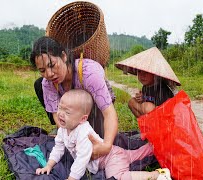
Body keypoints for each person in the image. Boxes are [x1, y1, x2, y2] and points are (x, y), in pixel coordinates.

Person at [36, 89, 171, 180]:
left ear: (83, 118)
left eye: (67, 112)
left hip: (112, 157)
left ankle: (157, 175)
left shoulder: (84, 131)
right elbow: (58, 148)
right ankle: (153, 146)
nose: (60, 113)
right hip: (114, 153)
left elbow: (83, 158)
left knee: (118, 176)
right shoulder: (63, 129)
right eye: (60, 107)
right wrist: (49, 165)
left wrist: (72, 178)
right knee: (140, 152)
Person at [30, 36, 118, 158]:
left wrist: (107, 146)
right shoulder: (47, 82)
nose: (49, 74)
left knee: (98, 139)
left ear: (64, 56)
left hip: (95, 109)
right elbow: (56, 113)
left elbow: (109, 113)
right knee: (39, 84)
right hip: (74, 111)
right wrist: (69, 137)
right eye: (42, 70)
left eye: (52, 65)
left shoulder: (89, 73)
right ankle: (66, 130)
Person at [115, 47, 181, 118]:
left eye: (146, 72)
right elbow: (147, 101)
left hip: (165, 118)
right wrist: (142, 99)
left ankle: (152, 126)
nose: (142, 75)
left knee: (146, 107)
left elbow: (167, 109)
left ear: (154, 74)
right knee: (132, 102)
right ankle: (146, 125)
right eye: (140, 71)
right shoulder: (145, 87)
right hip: (152, 117)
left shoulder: (162, 89)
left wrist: (145, 104)